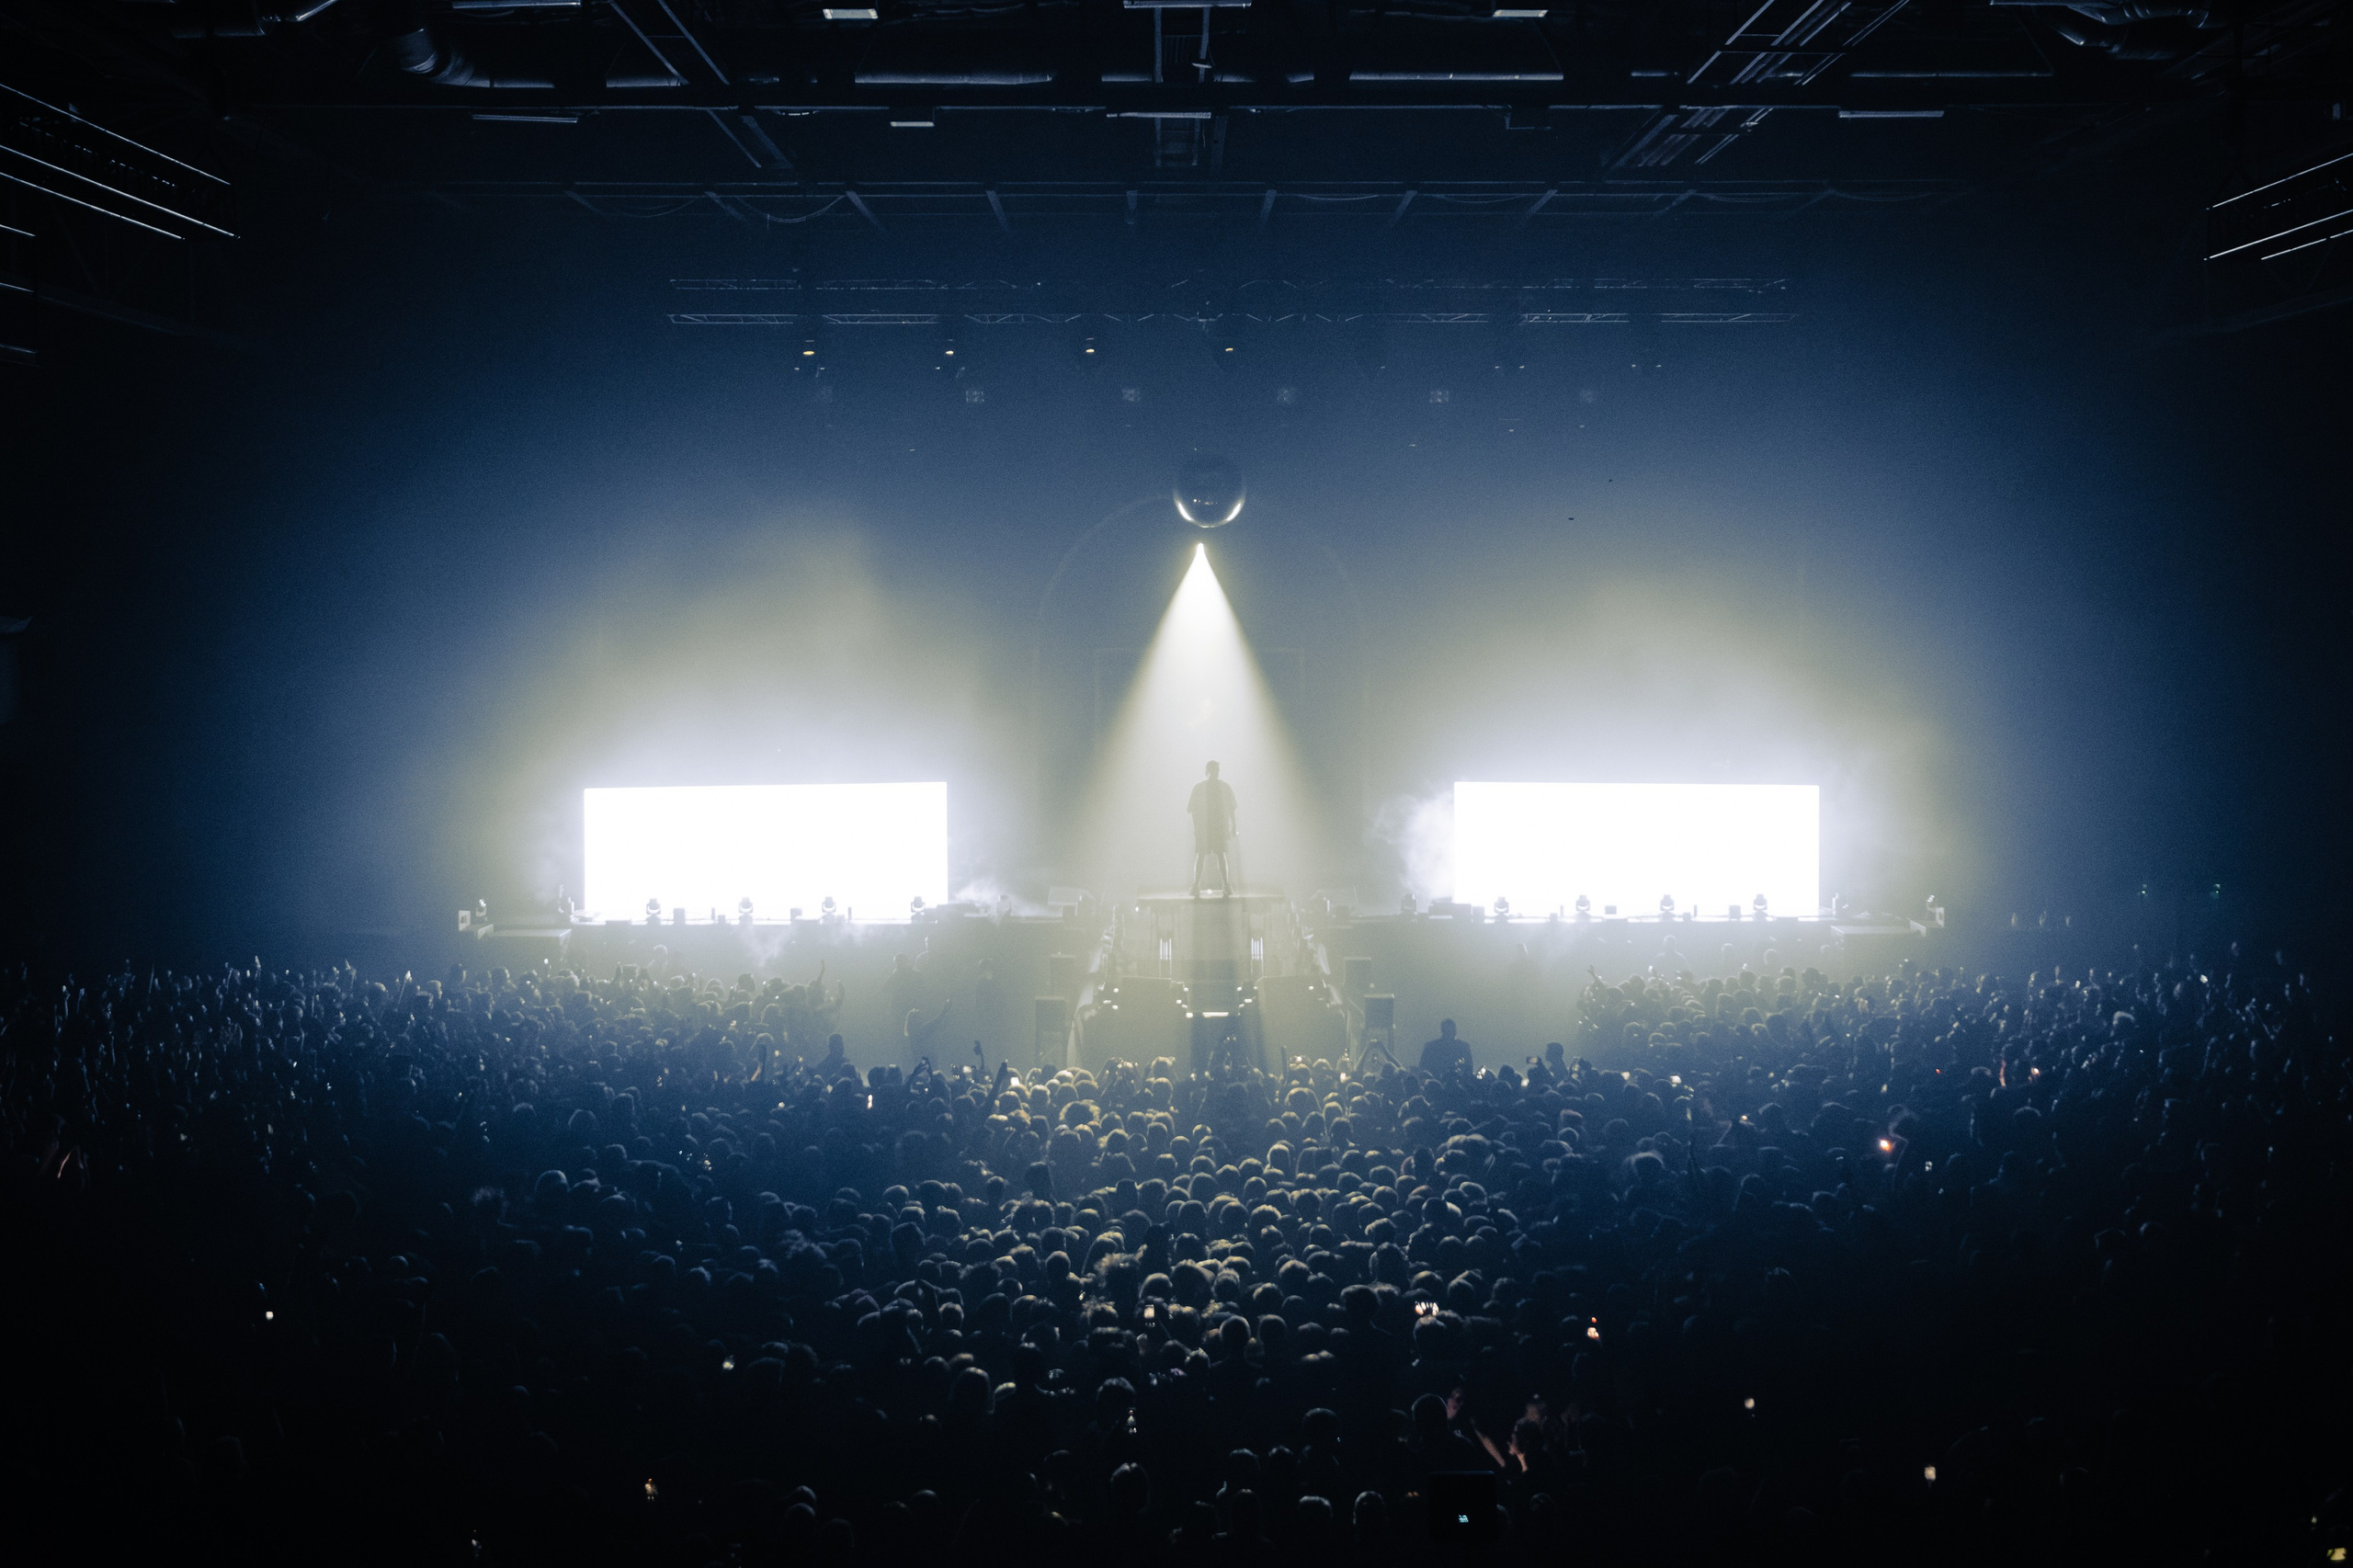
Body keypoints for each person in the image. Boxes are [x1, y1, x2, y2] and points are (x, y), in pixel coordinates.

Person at [1188, 759, 1238, 896]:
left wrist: (1234, 825)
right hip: (1206, 829)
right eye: (1213, 770)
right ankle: (1197, 885)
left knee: (1219, 856)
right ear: (1208, 771)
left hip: (1217, 828)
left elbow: (1231, 808)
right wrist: (1196, 828)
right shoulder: (1200, 787)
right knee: (1203, 856)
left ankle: (1226, 885)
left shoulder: (1223, 787)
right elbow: (1192, 809)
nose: (1215, 773)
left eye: (1217, 770)